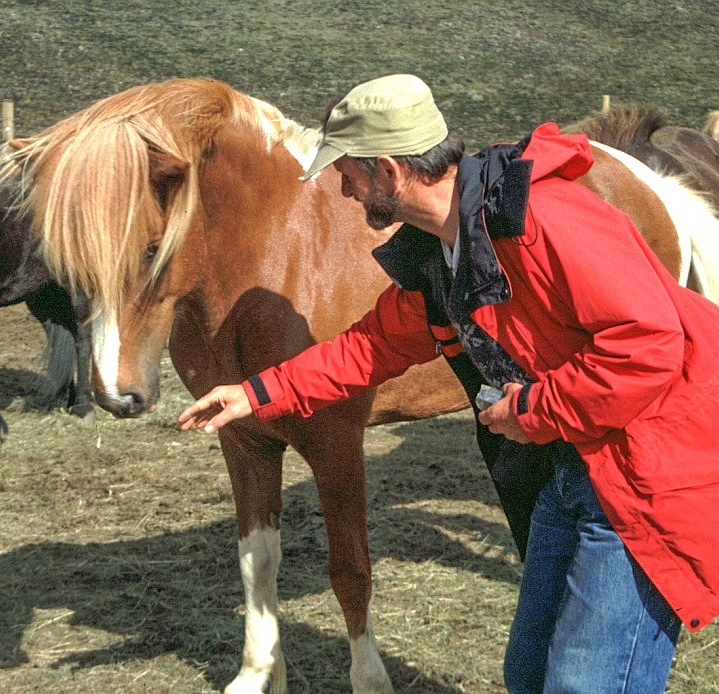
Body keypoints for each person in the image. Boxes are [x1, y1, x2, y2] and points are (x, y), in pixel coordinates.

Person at [177, 74, 719, 693]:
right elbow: (369, 347)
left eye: (348, 173)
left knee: (585, 685)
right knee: (530, 672)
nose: (342, 188)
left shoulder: (549, 217)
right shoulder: (447, 249)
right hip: (580, 465)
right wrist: (254, 394)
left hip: (651, 469)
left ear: (387, 170)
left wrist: (533, 411)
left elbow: (648, 345)